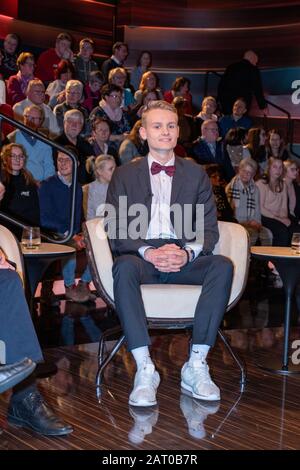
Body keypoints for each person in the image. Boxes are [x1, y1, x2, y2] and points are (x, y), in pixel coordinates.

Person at [105, 100, 233, 407]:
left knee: (222, 266)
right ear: (144, 133)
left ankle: (196, 364)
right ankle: (145, 367)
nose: (165, 132)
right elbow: (116, 227)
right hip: (143, 258)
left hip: (183, 256)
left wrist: (187, 253)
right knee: (123, 267)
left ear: (178, 132)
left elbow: (209, 229)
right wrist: (148, 252)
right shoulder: (124, 174)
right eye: (158, 126)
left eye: (171, 126)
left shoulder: (196, 174)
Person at [226, 158, 273, 246]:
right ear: (239, 170)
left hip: (251, 222)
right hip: (235, 222)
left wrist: (257, 223)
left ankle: (264, 259)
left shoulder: (255, 189)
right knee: (251, 234)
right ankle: (247, 259)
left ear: (253, 175)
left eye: (249, 173)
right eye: (244, 171)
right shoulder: (230, 187)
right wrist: (245, 223)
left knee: (267, 233)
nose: (246, 174)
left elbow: (257, 211)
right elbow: (228, 214)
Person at [217, 50, 267, 115]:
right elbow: (257, 89)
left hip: (227, 104)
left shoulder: (231, 67)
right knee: (241, 123)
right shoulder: (253, 69)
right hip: (243, 103)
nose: (255, 64)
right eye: (255, 62)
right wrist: (263, 106)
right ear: (252, 58)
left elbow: (221, 86)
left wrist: (220, 102)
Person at [85, 154, 116, 219]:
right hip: (98, 226)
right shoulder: (92, 189)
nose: (115, 171)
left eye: (115, 168)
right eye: (111, 169)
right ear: (99, 171)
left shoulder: (116, 185)